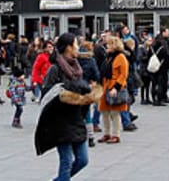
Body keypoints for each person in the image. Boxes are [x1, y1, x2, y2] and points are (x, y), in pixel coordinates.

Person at [36, 33, 100, 181]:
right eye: (76, 44)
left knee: (83, 160)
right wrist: (68, 94)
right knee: (66, 162)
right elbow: (47, 94)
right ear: (68, 47)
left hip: (76, 118)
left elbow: (81, 89)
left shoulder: (77, 67)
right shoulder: (55, 69)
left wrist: (87, 96)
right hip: (60, 121)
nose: (78, 47)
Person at [98, 36, 129, 144]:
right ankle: (106, 133)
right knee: (104, 111)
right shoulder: (109, 57)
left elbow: (123, 74)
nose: (107, 46)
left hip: (115, 86)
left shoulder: (121, 57)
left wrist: (116, 87)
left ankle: (116, 135)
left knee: (115, 112)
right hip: (106, 85)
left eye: (109, 44)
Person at [150, 29, 169, 106]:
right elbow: (167, 54)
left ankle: (154, 98)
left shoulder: (153, 43)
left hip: (153, 65)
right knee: (161, 82)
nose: (168, 34)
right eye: (167, 32)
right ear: (163, 33)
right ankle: (160, 98)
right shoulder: (163, 43)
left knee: (154, 83)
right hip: (162, 65)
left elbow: (149, 53)